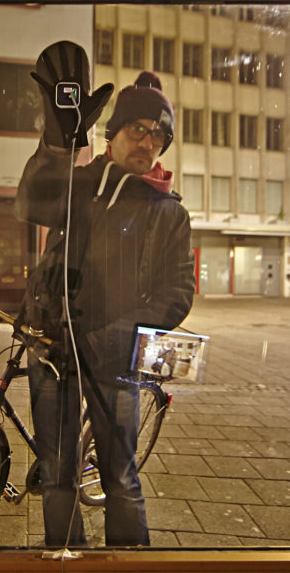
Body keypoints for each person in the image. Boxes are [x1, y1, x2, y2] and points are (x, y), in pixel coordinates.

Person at [15, 41, 196, 548]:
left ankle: (128, 563)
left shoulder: (169, 213)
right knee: (57, 474)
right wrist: (57, 142)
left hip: (114, 360)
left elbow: (177, 294)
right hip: (53, 351)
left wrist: (107, 339)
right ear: (113, 133)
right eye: (139, 129)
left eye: (159, 136)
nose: (149, 143)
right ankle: (66, 558)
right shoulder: (80, 185)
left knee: (120, 477)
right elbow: (32, 202)